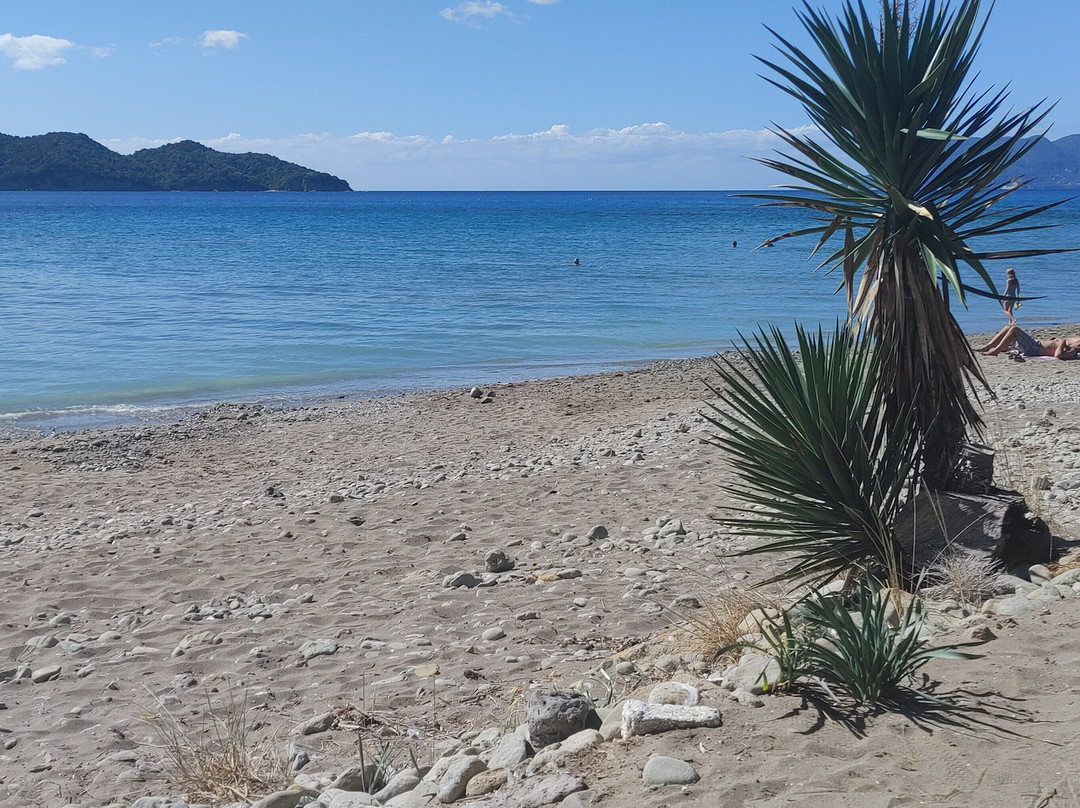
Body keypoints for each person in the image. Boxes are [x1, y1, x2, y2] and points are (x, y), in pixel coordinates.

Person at [977, 324, 1080, 360]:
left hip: (1035, 349)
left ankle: (996, 351)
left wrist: (1061, 341)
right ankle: (988, 346)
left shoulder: (1073, 350)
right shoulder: (1073, 343)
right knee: (1009, 327)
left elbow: (1058, 356)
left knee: (1014, 329)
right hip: (1035, 344)